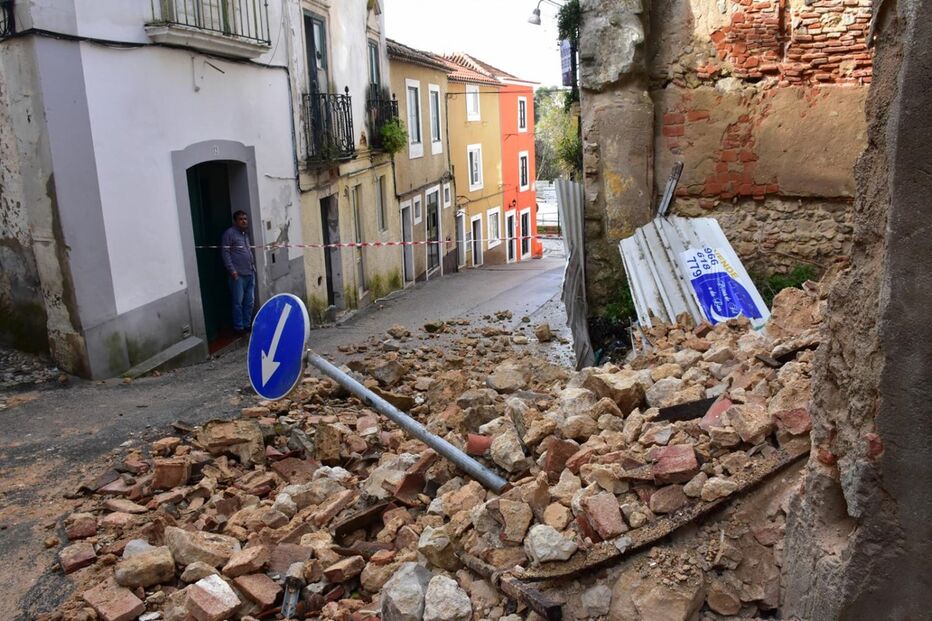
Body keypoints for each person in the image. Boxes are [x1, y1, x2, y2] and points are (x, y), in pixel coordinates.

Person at [221, 210, 256, 334]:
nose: (244, 221)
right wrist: (232, 271)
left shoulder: (245, 234)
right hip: (238, 275)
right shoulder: (229, 234)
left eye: (245, 219)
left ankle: (247, 324)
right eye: (241, 219)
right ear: (235, 221)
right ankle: (239, 327)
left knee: (250, 301)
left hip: (250, 272)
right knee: (238, 302)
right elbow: (225, 253)